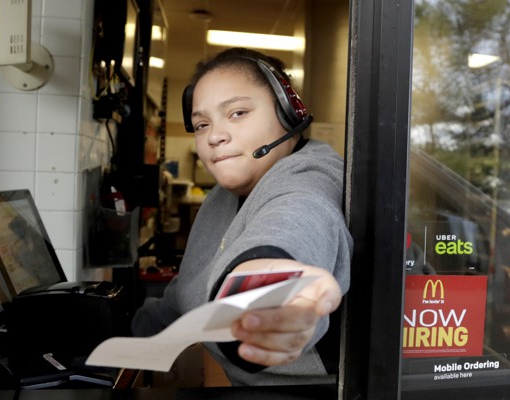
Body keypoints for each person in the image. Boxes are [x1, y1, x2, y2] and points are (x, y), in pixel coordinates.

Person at [131, 47, 352, 386]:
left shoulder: (309, 179)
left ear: (289, 113)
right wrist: (122, 329)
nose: (215, 136)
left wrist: (266, 295)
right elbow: (184, 297)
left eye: (237, 113)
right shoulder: (222, 198)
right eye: (202, 124)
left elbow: (293, 225)